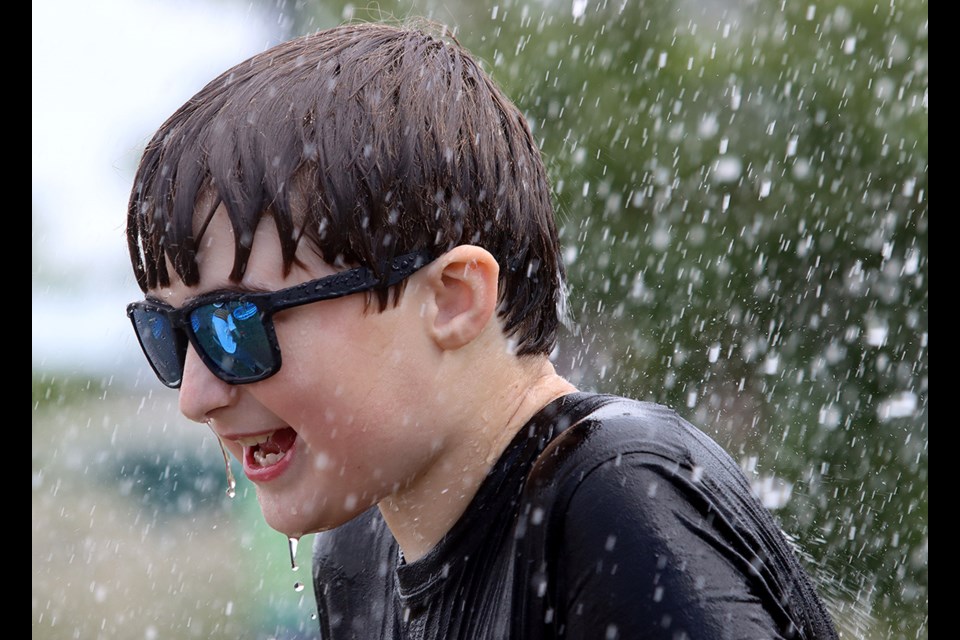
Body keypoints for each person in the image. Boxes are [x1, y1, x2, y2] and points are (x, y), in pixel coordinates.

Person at [124, 20, 839, 640]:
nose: (196, 394)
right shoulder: (360, 560)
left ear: (452, 299)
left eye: (235, 324)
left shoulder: (615, 499)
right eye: (169, 334)